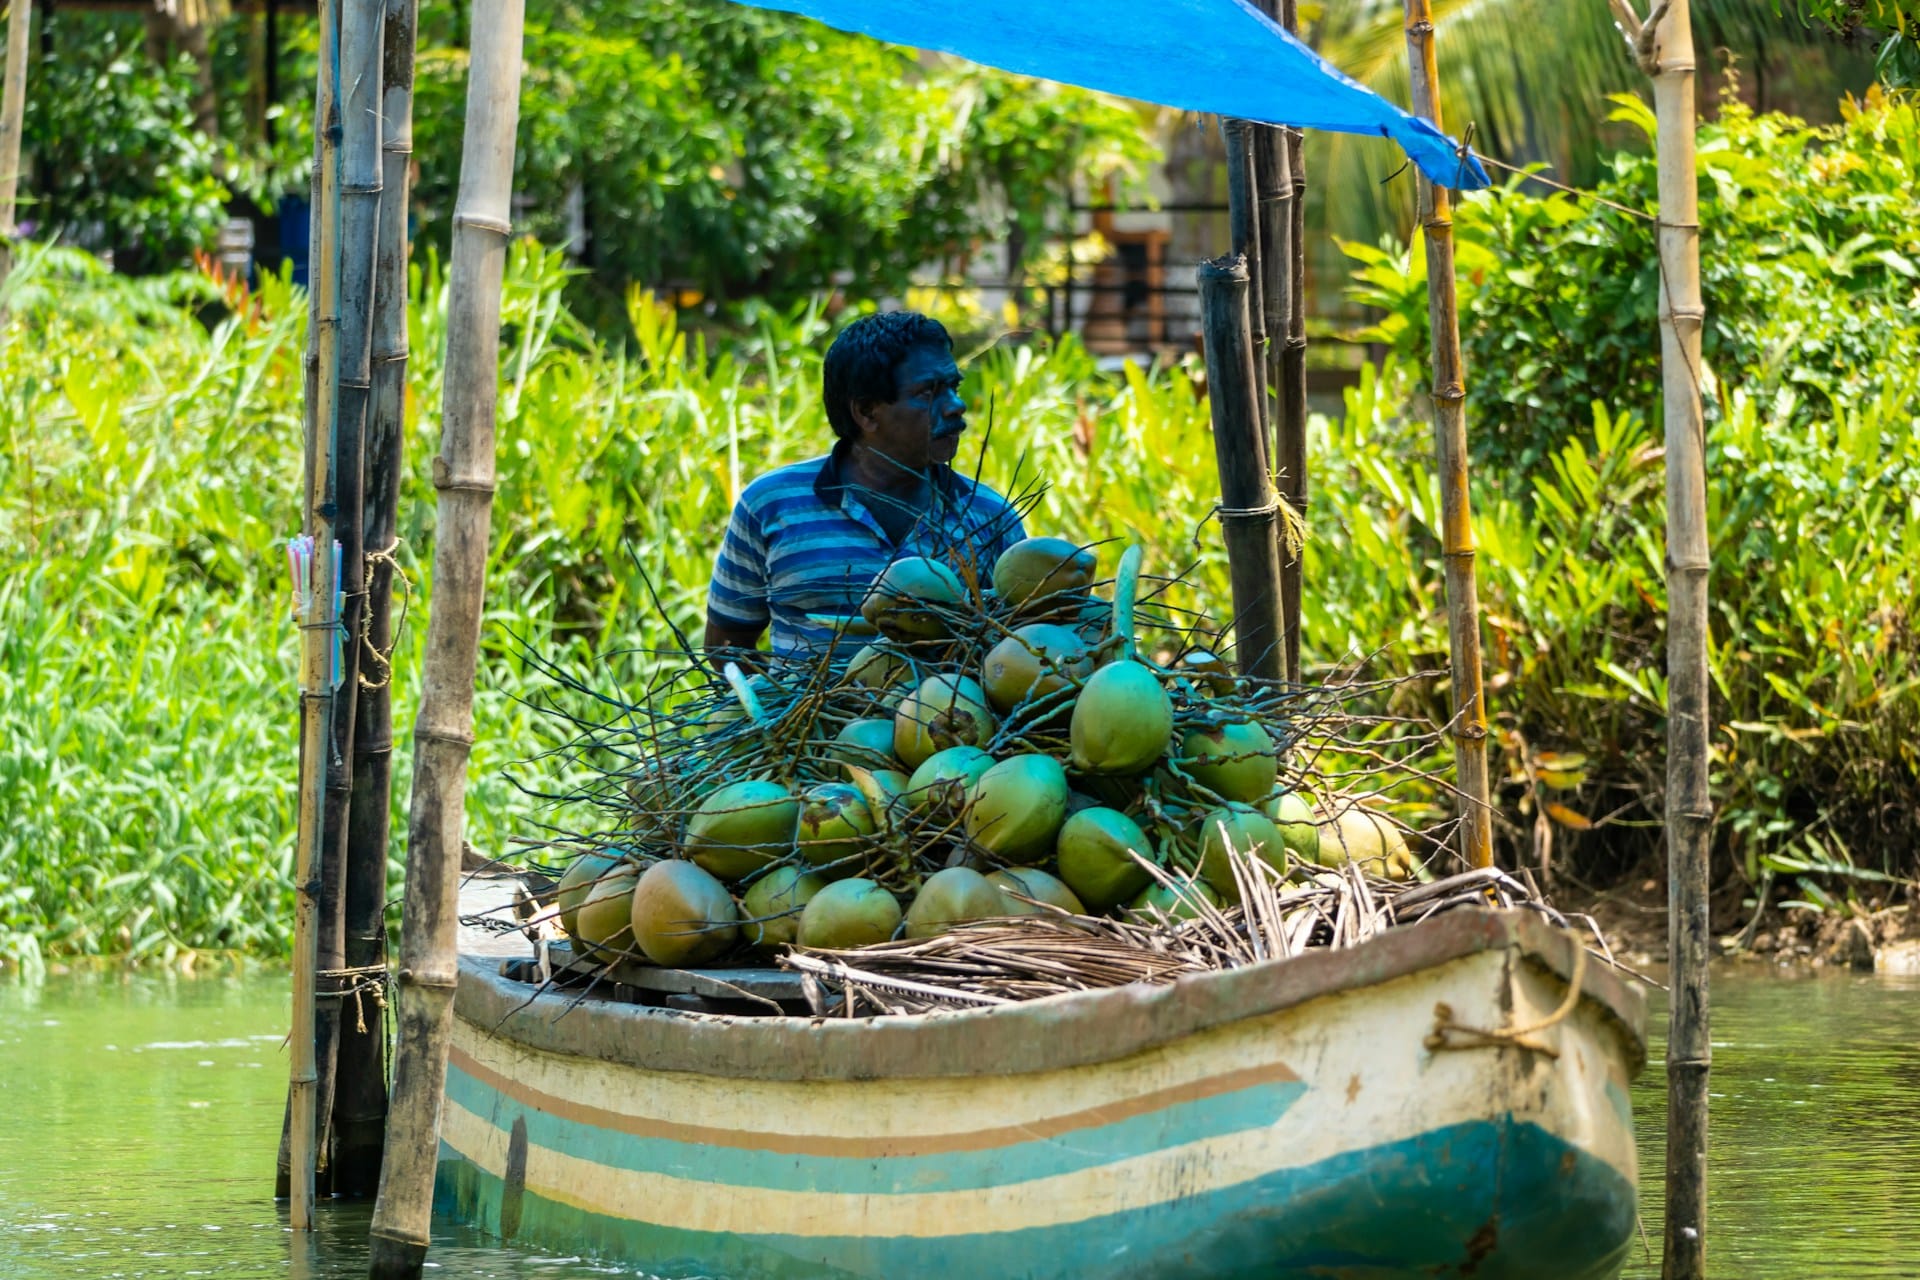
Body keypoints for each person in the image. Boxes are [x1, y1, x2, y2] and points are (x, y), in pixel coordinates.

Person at [704, 311, 1027, 659]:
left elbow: (1020, 648)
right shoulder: (771, 505)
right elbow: (726, 648)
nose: (957, 406)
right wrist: (772, 710)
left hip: (947, 714)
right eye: (930, 391)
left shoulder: (989, 517)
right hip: (810, 713)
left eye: (954, 387)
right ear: (866, 412)